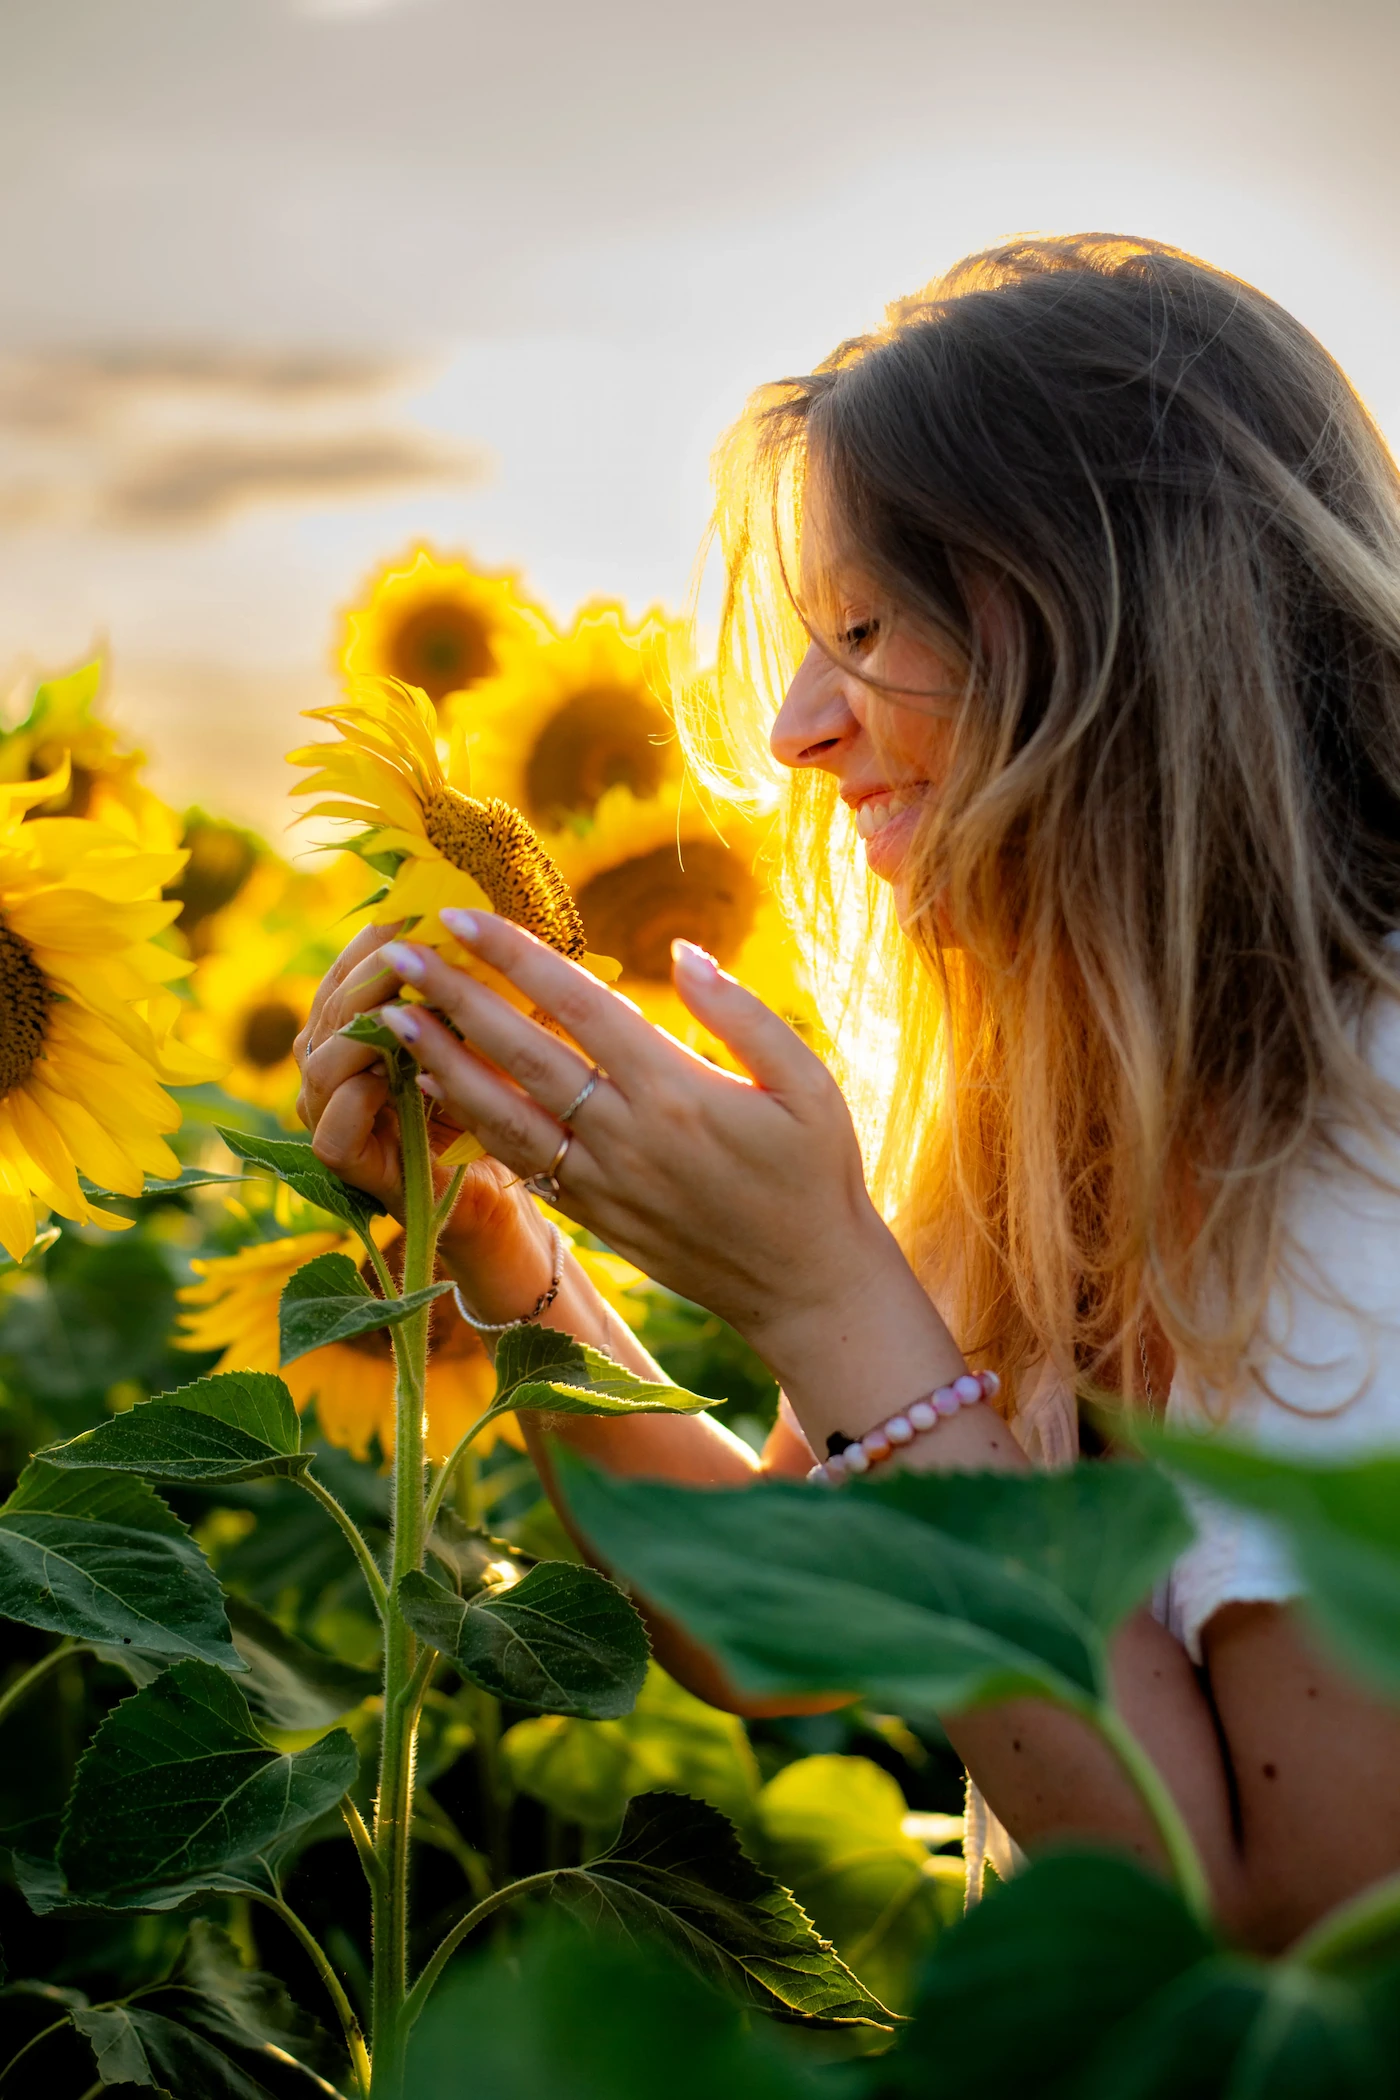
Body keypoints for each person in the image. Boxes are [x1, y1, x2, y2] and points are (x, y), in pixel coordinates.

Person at [295, 235, 1400, 1954]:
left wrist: (824, 1291)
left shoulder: (1364, 1125)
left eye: (867, 630)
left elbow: (1297, 1939)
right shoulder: (1042, 1106)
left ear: (1109, 622)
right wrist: (505, 1248)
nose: (797, 729)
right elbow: (779, 1617)